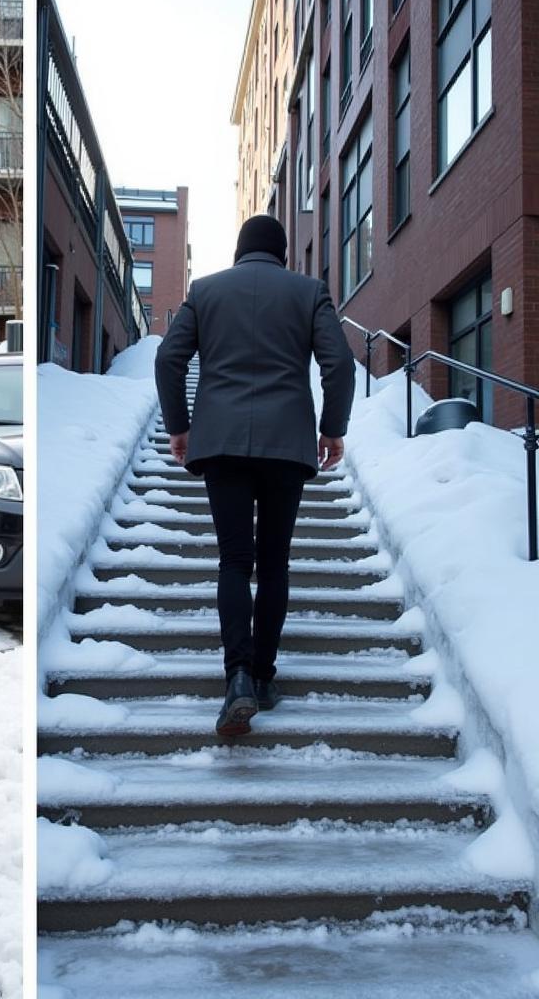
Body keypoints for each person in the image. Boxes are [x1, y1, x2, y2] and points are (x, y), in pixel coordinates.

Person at [154, 214, 355, 737]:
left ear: (240, 250)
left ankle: (237, 675)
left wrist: (180, 426)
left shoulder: (206, 290)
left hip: (220, 442)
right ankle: (264, 675)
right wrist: (332, 429)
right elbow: (340, 364)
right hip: (287, 445)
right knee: (274, 562)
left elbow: (169, 360)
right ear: (283, 252)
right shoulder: (309, 292)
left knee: (234, 560)